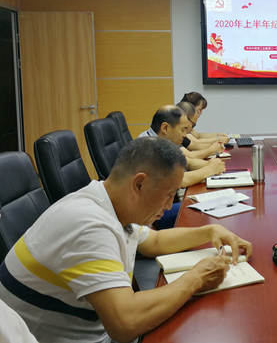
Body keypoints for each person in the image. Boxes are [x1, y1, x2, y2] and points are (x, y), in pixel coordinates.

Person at [0, 137, 252, 343]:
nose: (168, 206)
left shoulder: (108, 201)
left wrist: (209, 231)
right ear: (139, 184)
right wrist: (196, 278)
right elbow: (125, 324)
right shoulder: (88, 224)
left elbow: (155, 242)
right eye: (167, 195)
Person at [138, 105, 225, 187]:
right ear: (165, 128)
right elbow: (177, 180)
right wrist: (209, 169)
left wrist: (213, 164)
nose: (185, 135)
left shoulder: (165, 141)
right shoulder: (147, 147)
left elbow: (188, 163)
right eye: (183, 129)